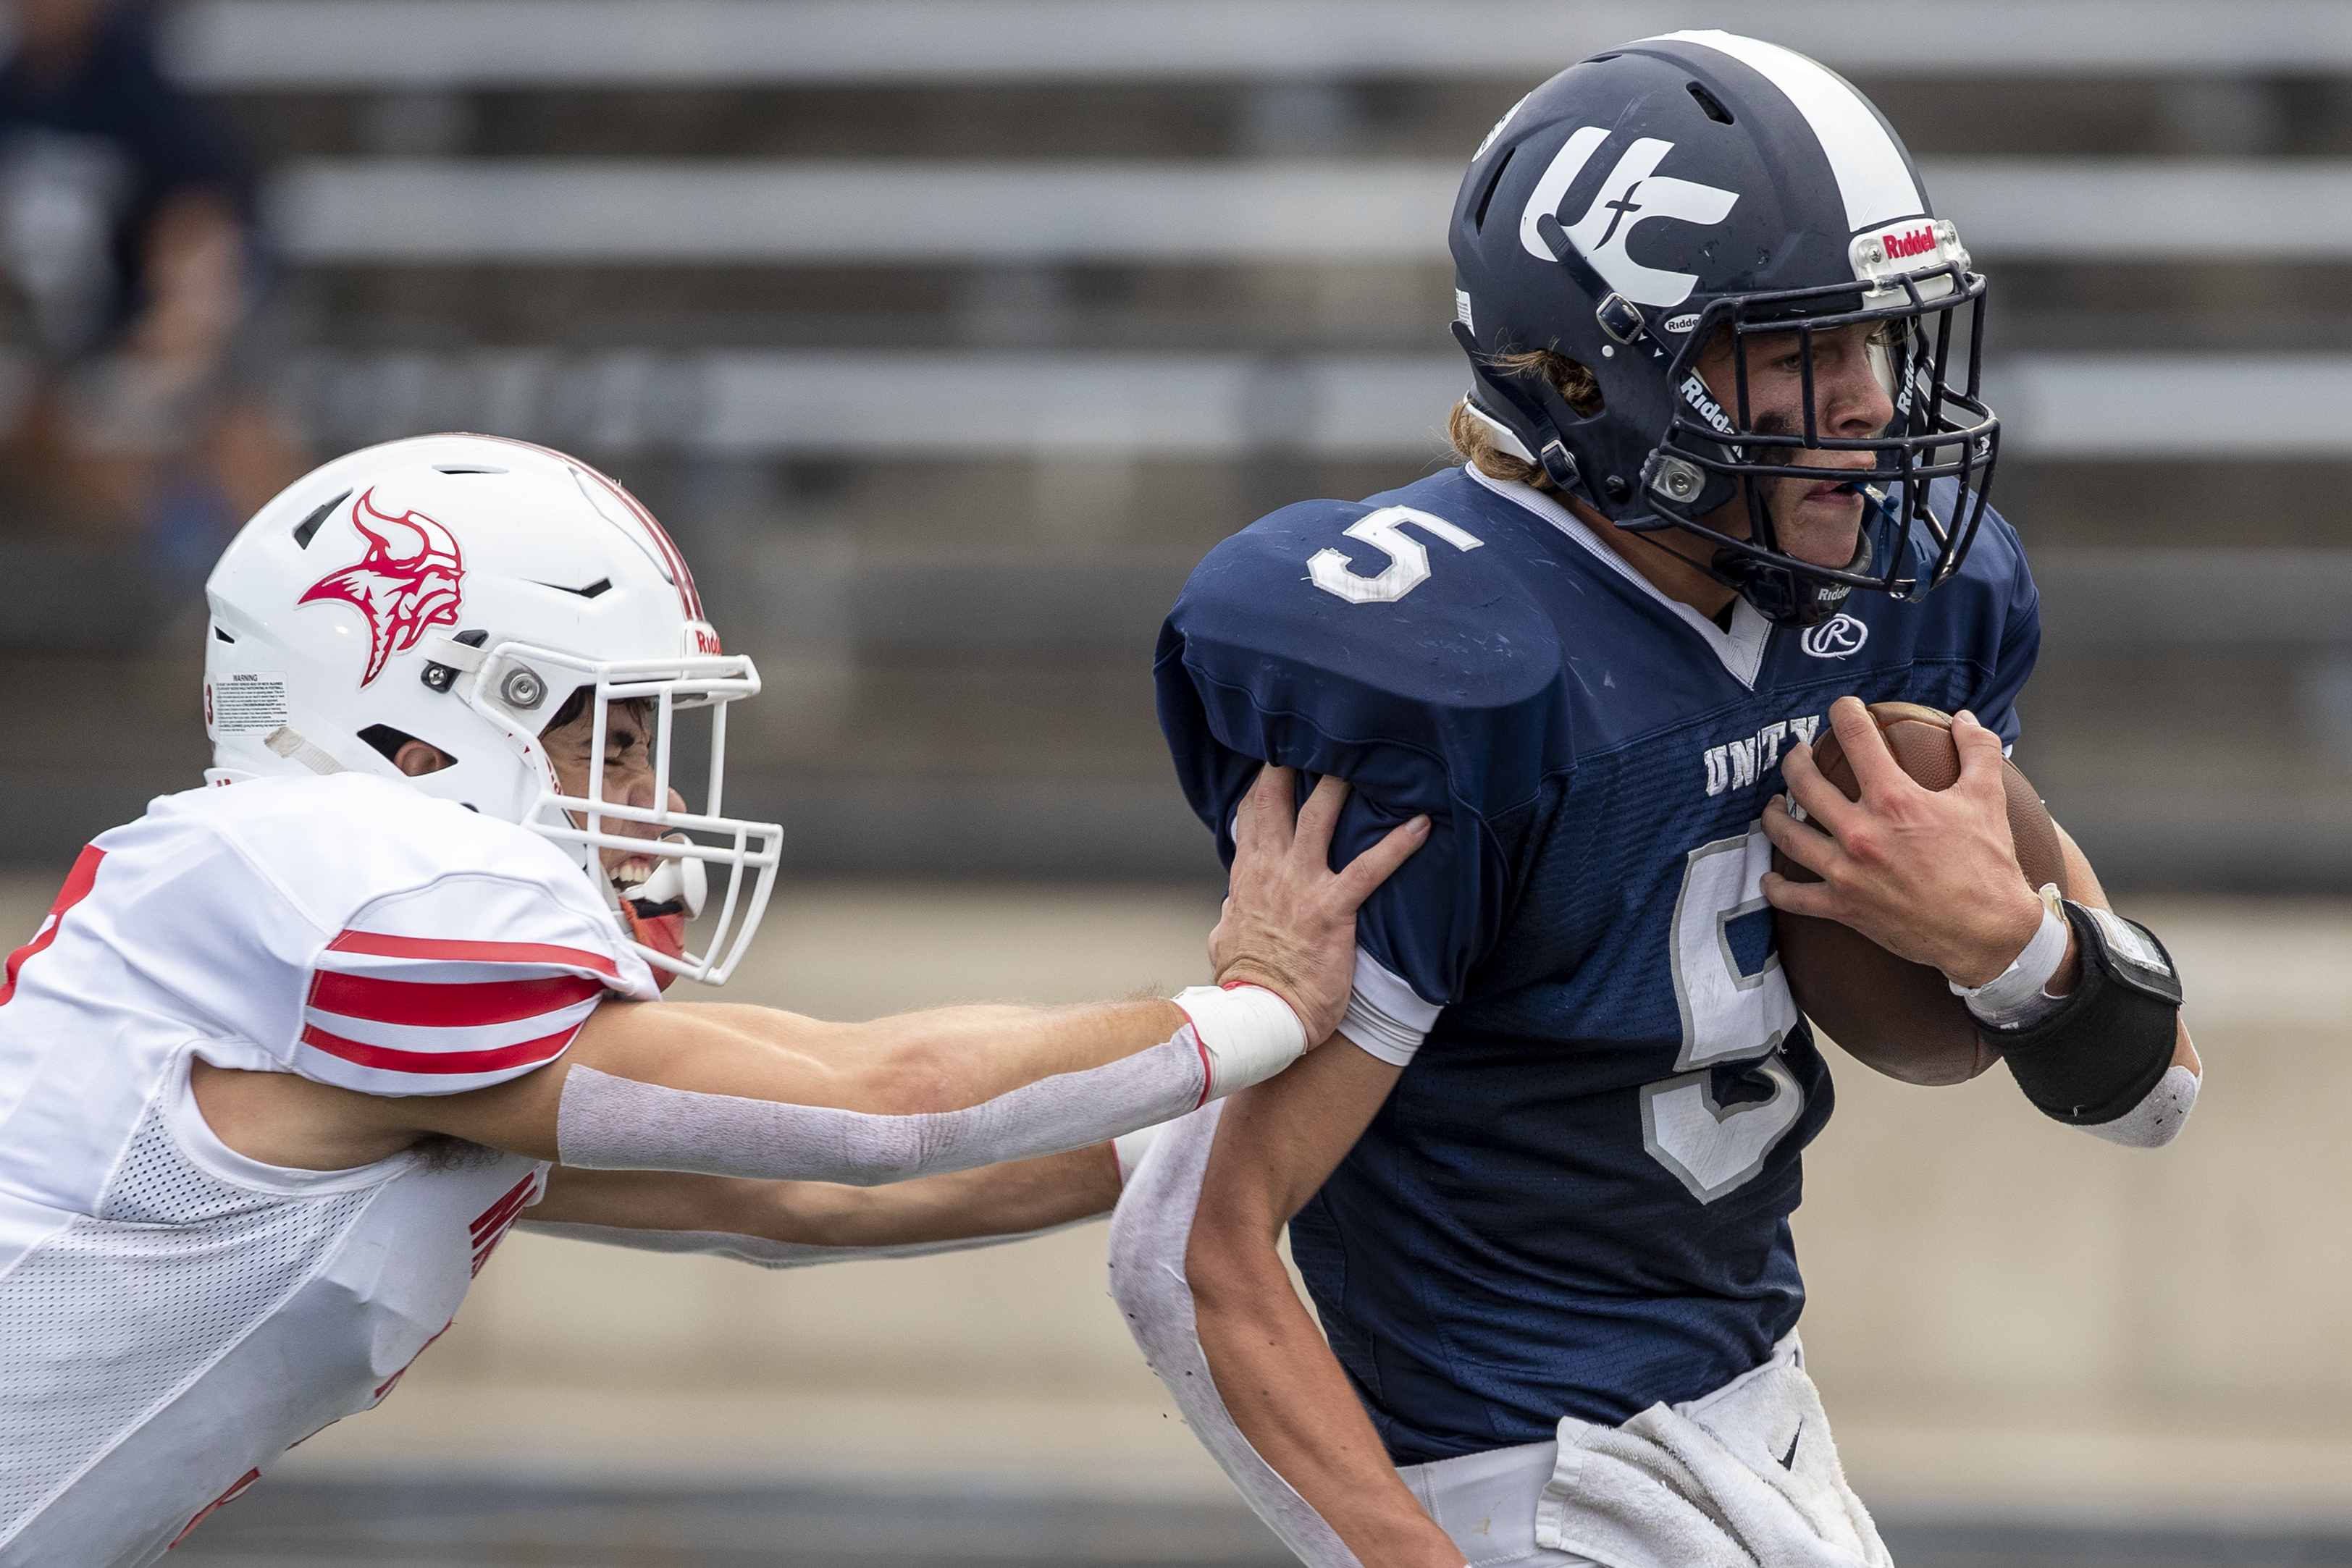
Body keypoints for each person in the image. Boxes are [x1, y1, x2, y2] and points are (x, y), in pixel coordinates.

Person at [1101, 31, 2202, 1568]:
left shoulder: (1884, 604)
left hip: (1765, 1422)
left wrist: (2009, 944)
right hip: (1513, 1471)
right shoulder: (1454, 665)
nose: (1872, 406)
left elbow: (2152, 1092)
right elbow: (1194, 1249)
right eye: (1799, 351)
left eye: (1876, 343)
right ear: (1594, 371)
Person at [0, 431, 1426, 1566]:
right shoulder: (329, 875)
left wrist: (1332, 1074)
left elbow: (807, 1196)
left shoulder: (314, 994)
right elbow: (887, 1110)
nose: (658, 800)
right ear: (416, 736)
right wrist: (1253, 1003)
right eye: (608, 740)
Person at [0, 0, 302, 577]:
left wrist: (176, 340)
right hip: (89, 323)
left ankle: (288, 575)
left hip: (194, 304)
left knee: (230, 431)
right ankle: (189, 552)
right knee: (49, 431)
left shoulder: (136, 75)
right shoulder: (15, 90)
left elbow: (197, 219)